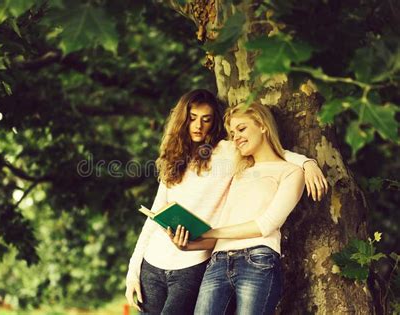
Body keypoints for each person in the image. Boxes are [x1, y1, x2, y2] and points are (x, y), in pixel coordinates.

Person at [126, 90, 327, 314]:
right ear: (182, 119)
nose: (198, 126)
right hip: (154, 261)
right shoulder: (174, 160)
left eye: (206, 119)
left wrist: (307, 163)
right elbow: (153, 216)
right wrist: (133, 271)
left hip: (194, 261)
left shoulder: (228, 152)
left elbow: (273, 152)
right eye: (192, 118)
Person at [169, 102, 317, 314]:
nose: (236, 137)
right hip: (217, 262)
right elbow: (222, 233)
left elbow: (266, 224)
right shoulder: (238, 172)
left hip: (258, 260)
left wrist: (307, 162)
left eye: (241, 129)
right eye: (231, 133)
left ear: (263, 126)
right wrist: (187, 245)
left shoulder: (291, 172)